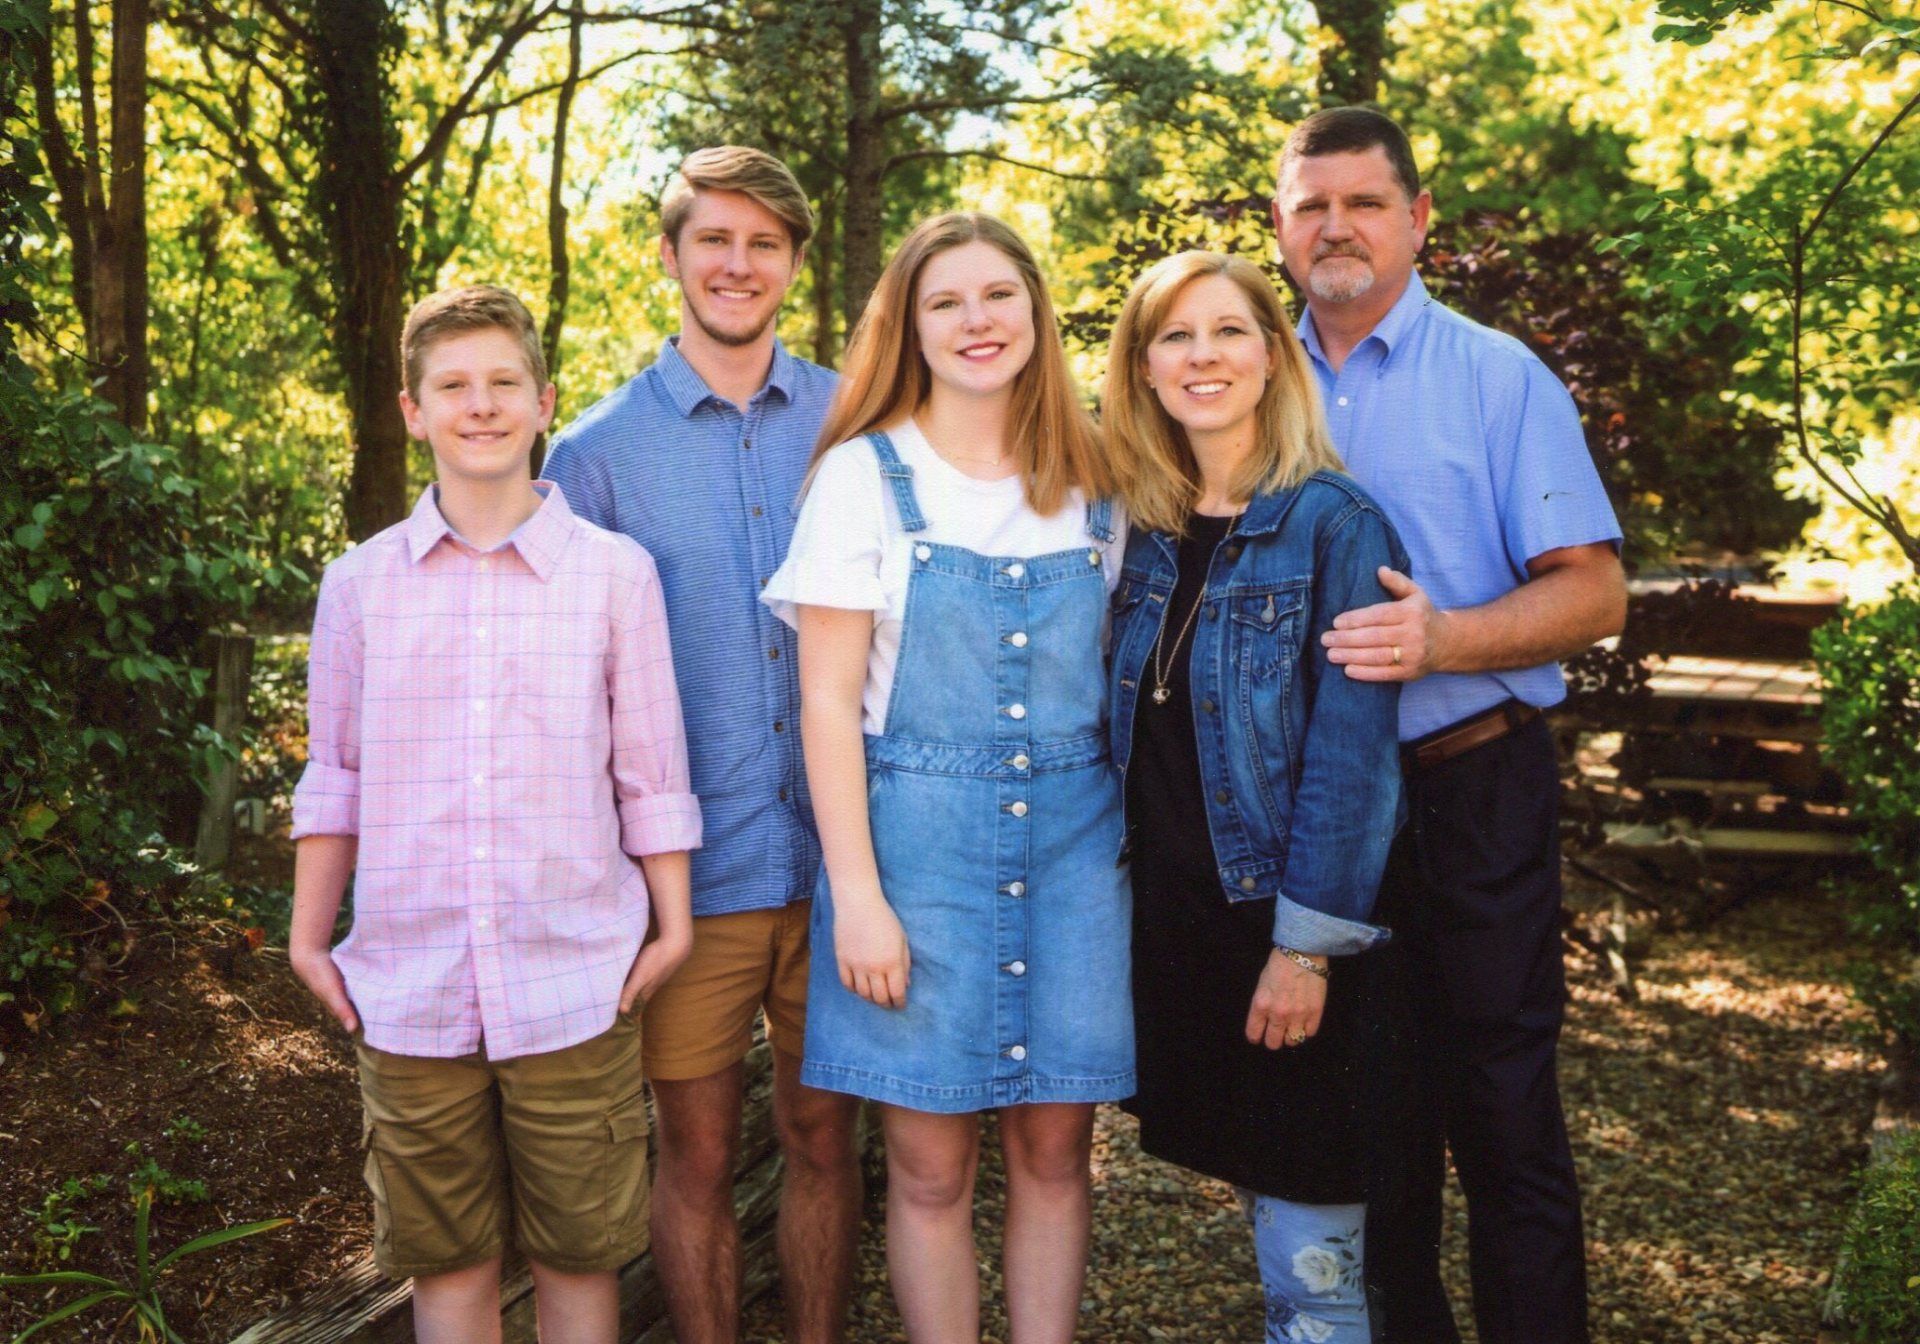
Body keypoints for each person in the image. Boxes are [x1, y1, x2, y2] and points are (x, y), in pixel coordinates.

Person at [1272, 107, 1628, 1344]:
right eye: (1312, 204)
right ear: (1278, 226)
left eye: (1364, 202)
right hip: (1317, 816)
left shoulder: (1497, 375)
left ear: (1419, 220)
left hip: (1473, 792)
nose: (1336, 227)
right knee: (1370, 1145)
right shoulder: (1242, 379)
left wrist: (1448, 640)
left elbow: (1596, 590)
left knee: (1507, 1122)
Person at [288, 284, 700, 1344]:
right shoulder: (358, 585)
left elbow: (650, 772)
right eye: (453, 386)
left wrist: (675, 923)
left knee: (579, 1260)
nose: (481, 405)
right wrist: (306, 935)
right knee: (451, 1266)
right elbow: (332, 775)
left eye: (503, 383)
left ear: (545, 401)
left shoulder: (615, 577)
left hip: (576, 984)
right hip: (410, 988)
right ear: (412, 412)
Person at [764, 212, 1132, 1344]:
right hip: (915, 853)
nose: (978, 321)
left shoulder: (1102, 473)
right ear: (910, 328)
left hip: (1079, 845)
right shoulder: (862, 478)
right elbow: (825, 702)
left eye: (998, 296)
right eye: (947, 302)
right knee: (927, 1165)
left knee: (1056, 1151)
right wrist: (860, 900)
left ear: (1036, 311)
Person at [542, 147, 859, 1344]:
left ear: (791, 264)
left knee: (826, 1136)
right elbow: (569, 692)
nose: (737, 263)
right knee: (699, 1154)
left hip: (844, 869)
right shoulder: (594, 456)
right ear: (669, 256)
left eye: (763, 243)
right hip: (691, 881)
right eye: (713, 239)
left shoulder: (856, 416)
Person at [1101, 250, 1407, 1344]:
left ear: (1275, 356)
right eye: (1176, 336)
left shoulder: (1335, 523)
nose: (1203, 356)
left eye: (1230, 331)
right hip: (1180, 931)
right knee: (1261, 1205)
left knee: (1316, 1264)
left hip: (1283, 928)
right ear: (1142, 367)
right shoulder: (1134, 523)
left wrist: (1306, 947)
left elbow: (1355, 758)